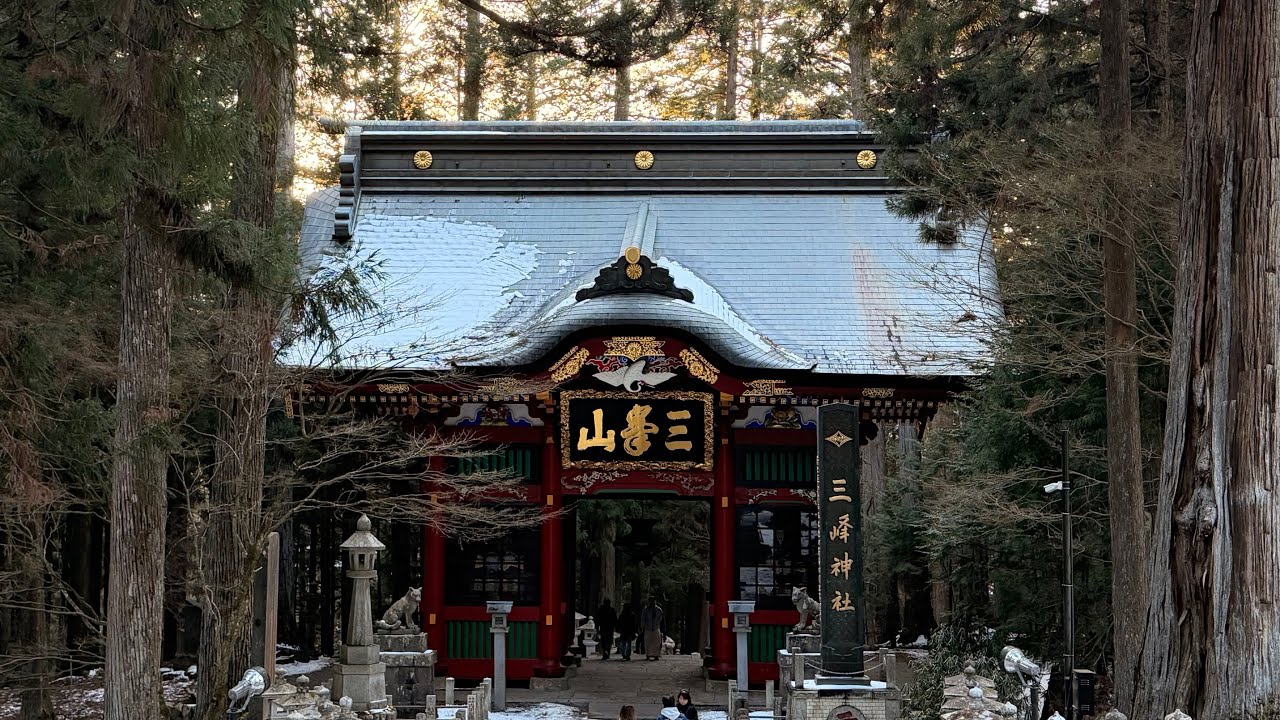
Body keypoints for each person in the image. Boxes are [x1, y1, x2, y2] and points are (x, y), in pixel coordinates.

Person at [640, 596, 664, 661]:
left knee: (657, 642)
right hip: (648, 628)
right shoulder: (646, 610)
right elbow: (643, 619)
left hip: (656, 627)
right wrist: (642, 626)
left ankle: (656, 655)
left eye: (653, 601)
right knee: (648, 642)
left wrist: (658, 624)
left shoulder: (658, 609)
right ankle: (648, 654)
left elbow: (661, 618)